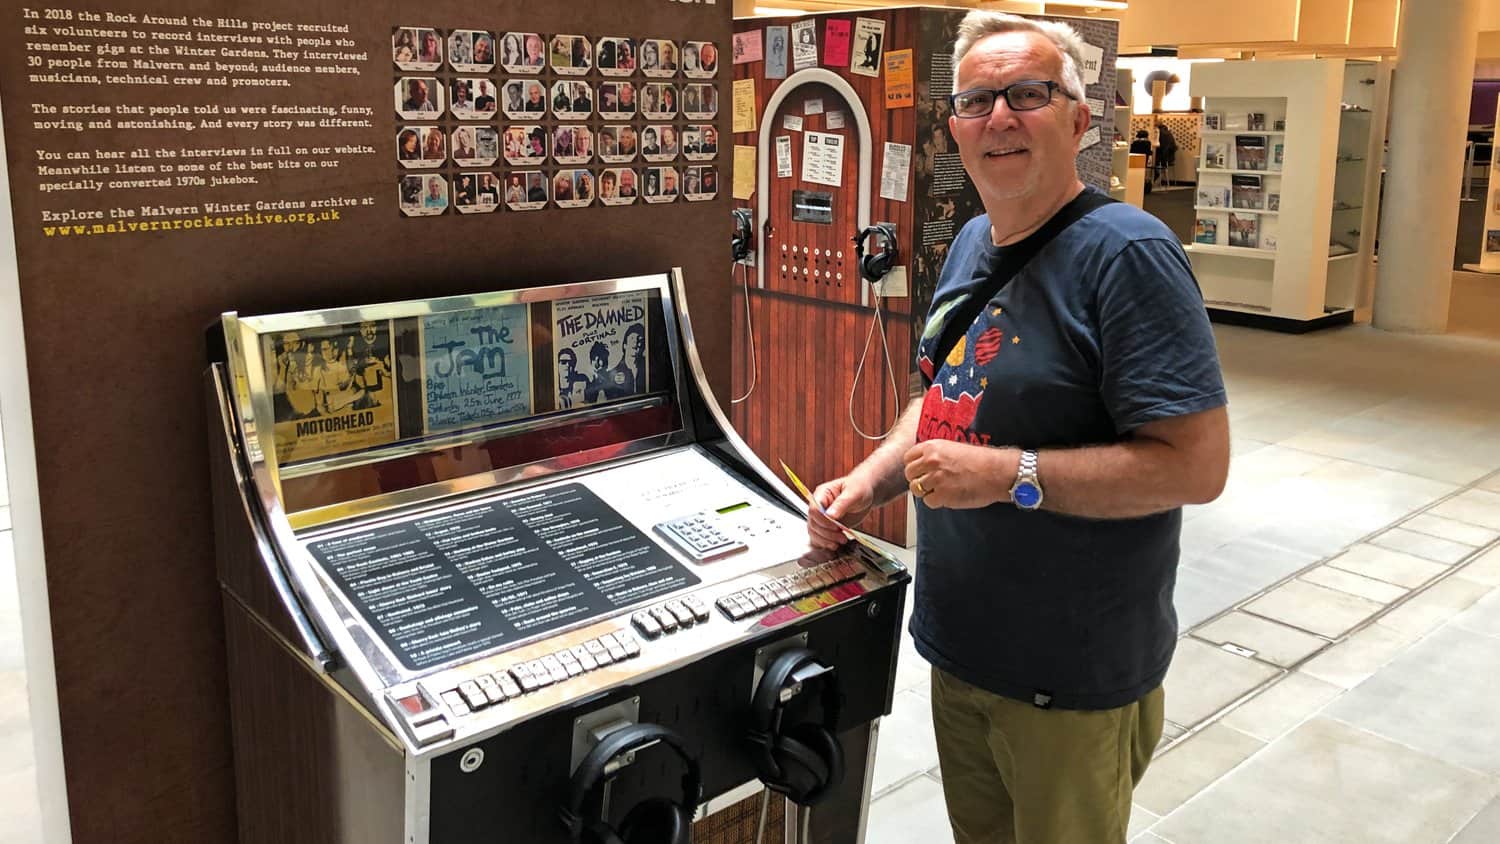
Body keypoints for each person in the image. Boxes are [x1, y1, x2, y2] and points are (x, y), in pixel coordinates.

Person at [806, 12, 1228, 844]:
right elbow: (944, 397)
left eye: (1028, 94)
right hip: (962, 647)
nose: (999, 117)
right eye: (977, 101)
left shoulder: (1128, 254)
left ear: (1079, 118)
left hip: (1069, 673)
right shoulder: (971, 241)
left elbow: (1195, 467)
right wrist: (872, 477)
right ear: (955, 128)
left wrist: (1009, 476)